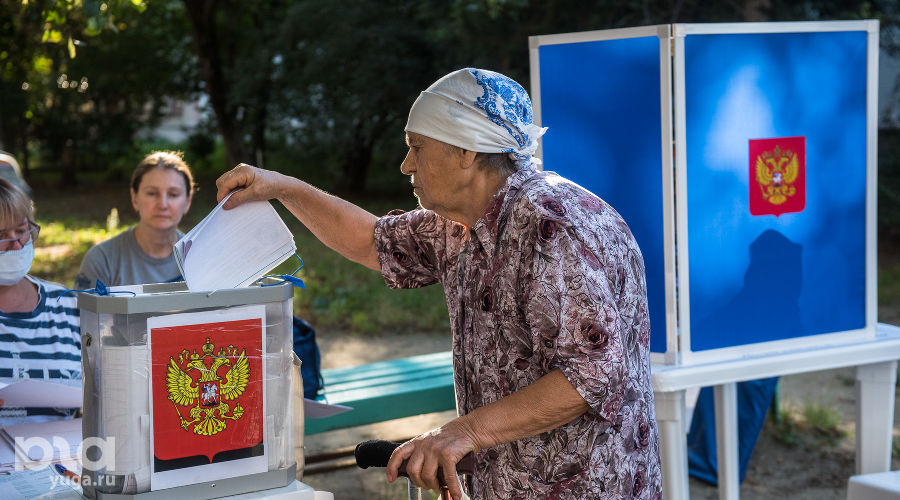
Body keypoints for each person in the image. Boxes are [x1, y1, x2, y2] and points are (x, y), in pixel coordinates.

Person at [216, 68, 661, 499]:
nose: (405, 165)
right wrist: (283, 188)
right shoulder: (458, 222)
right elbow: (372, 241)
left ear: (466, 151)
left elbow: (592, 375)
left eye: (416, 147)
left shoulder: (550, 226)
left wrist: (463, 432)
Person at [0, 178, 81, 425]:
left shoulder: (66, 304)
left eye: (22, 230)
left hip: (61, 448)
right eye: (1, 235)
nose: (16, 244)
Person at [74, 151, 194, 289]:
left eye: (173, 194)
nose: (163, 204)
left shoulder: (199, 259)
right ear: (134, 197)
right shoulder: (102, 260)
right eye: (152, 193)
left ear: (188, 201)